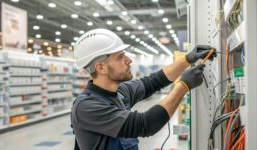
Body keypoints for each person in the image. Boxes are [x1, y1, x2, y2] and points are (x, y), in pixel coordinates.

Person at [71, 28, 216, 150]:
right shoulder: (86, 108)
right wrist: (183, 86)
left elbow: (154, 81)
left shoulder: (120, 92)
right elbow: (145, 124)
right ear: (101, 67)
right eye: (120, 57)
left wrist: (187, 59)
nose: (129, 60)